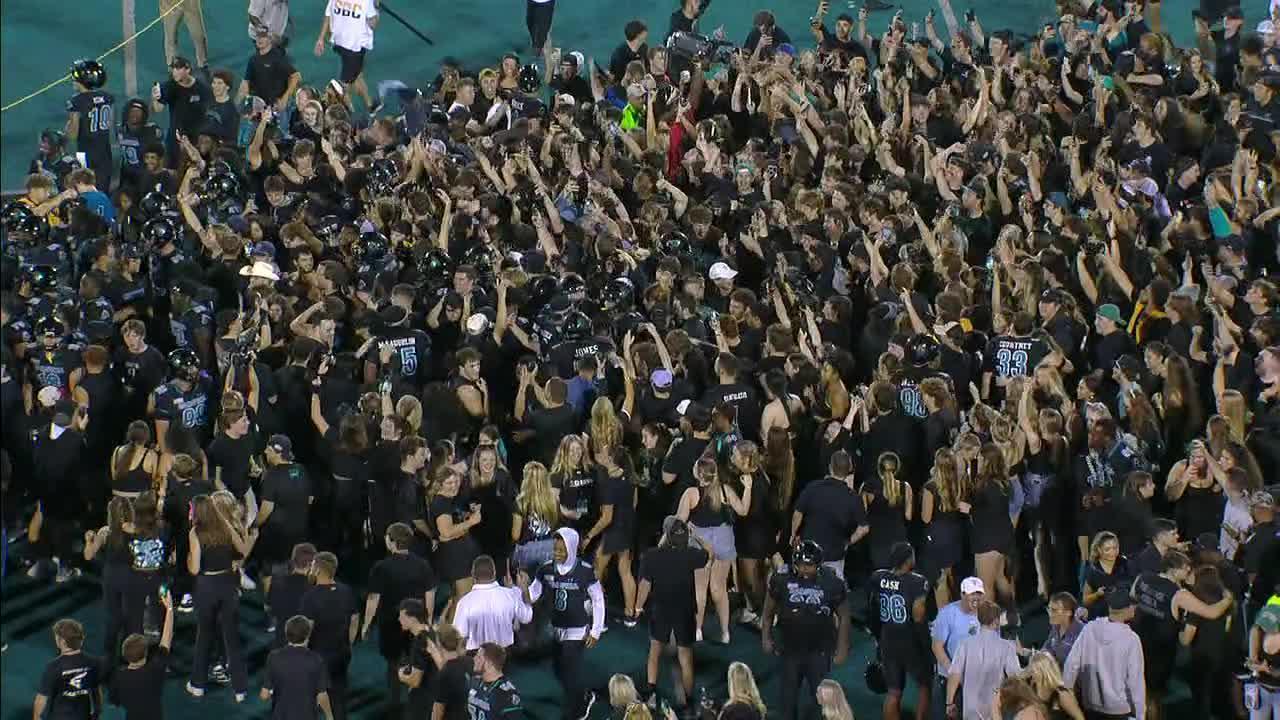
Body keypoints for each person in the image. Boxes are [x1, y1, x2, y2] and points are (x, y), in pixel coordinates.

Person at [762, 540, 849, 720]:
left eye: (808, 565)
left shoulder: (832, 582)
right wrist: (766, 637)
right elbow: (768, 611)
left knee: (821, 699)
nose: (803, 569)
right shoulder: (781, 579)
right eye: (800, 565)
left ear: (818, 565)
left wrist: (842, 647)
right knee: (788, 698)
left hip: (819, 649)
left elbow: (845, 615)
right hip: (790, 648)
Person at [524, 527, 605, 720]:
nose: (557, 554)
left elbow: (598, 599)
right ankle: (583, 695)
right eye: (555, 549)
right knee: (558, 668)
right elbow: (532, 595)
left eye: (562, 550)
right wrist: (521, 589)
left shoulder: (585, 571)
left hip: (577, 630)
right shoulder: (545, 568)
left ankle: (575, 710)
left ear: (572, 548)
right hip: (556, 627)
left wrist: (596, 630)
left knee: (570, 671)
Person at [633, 516, 709, 709]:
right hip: (684, 610)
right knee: (685, 656)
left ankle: (650, 693)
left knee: (655, 651)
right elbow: (710, 553)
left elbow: (645, 585)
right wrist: (696, 535)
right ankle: (690, 701)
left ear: (666, 535)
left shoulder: (652, 555)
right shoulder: (691, 554)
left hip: (661, 609)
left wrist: (638, 606)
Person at [363, 523, 436, 711]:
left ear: (391, 541)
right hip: (416, 624)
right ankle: (415, 701)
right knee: (418, 662)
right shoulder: (422, 564)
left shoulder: (381, 567)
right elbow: (430, 595)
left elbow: (373, 598)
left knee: (393, 663)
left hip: (390, 624)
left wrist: (366, 624)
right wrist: (427, 622)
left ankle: (395, 705)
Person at [868, 542, 931, 720]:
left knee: (893, 692)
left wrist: (877, 636)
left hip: (888, 638)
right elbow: (918, 617)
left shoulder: (878, 577)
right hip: (909, 641)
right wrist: (926, 646)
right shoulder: (918, 582)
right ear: (908, 559)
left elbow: (873, 607)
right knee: (924, 685)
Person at [1061, 591, 1146, 720]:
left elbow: (1071, 664)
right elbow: (1136, 682)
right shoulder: (1131, 639)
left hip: (1091, 706)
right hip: (1119, 710)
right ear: (1128, 609)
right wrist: (1140, 715)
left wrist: (1067, 695)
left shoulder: (1089, 629)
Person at [299, 552, 359, 720]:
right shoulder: (346, 591)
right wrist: (349, 642)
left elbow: (306, 629)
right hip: (342, 652)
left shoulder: (310, 597)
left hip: (319, 656)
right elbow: (354, 619)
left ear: (317, 570)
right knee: (339, 696)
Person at [945, 601, 1021, 720]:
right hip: (996, 710)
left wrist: (949, 703)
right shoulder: (1007, 647)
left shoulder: (964, 644)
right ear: (997, 621)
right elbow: (1015, 677)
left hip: (970, 712)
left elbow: (954, 674)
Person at [108, 588, 174, 720]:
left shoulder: (118, 676)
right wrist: (170, 610)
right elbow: (166, 640)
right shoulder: (155, 669)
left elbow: (114, 701)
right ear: (145, 653)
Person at [261, 615, 335, 720]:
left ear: (286, 634)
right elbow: (322, 695)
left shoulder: (273, 657)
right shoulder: (316, 660)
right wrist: (329, 716)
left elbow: (264, 695)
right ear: (308, 635)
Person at [453, 555, 534, 650]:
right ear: (494, 573)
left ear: (473, 575)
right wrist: (524, 590)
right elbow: (527, 617)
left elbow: (459, 634)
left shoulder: (464, 603)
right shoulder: (510, 595)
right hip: (505, 655)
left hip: (476, 658)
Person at [313, 0, 380, 113]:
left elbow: (328, 14)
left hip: (339, 42)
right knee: (345, 84)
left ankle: (370, 105)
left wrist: (321, 38)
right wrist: (376, 8)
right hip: (355, 47)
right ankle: (345, 113)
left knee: (357, 74)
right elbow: (373, 24)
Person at [33, 619, 105, 720]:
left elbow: (41, 700)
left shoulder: (53, 667)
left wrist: (36, 718)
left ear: (61, 641)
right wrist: (97, 712)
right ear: (81, 639)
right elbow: (97, 691)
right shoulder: (93, 662)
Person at [150, 57, 211, 169]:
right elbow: (158, 109)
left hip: (196, 138)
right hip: (175, 138)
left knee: (197, 169)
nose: (174, 72)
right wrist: (155, 98)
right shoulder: (169, 86)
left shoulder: (201, 88)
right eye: (173, 69)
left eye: (178, 69)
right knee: (173, 170)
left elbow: (209, 109)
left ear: (187, 70)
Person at [66, 60, 114, 191]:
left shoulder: (76, 101)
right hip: (104, 150)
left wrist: (68, 127)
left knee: (85, 190)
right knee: (103, 190)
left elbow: (73, 134)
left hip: (86, 151)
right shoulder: (107, 97)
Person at [468, 644, 527, 720]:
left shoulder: (506, 694)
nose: (474, 659)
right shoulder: (474, 682)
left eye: (479, 657)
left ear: (489, 664)